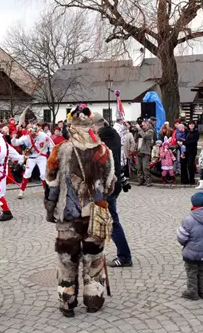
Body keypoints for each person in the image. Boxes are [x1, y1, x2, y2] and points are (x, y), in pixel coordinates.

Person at [45, 104, 115, 317]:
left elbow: (52, 183)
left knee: (67, 259)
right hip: (95, 215)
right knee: (94, 258)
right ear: (90, 124)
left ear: (70, 125)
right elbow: (110, 184)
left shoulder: (61, 150)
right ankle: (94, 300)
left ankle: (67, 303)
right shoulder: (104, 150)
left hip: (68, 214)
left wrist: (50, 209)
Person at [92, 113, 133, 268]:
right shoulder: (112, 134)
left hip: (107, 185)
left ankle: (124, 256)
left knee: (112, 222)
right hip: (110, 183)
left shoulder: (103, 140)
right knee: (104, 220)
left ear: (96, 126)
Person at [177, 192, 203, 300]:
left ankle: (192, 292)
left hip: (191, 253)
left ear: (193, 205)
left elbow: (181, 238)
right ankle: (202, 291)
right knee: (201, 270)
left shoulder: (188, 220)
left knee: (191, 271)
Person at [12, 125, 52, 199]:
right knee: (27, 173)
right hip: (31, 157)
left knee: (43, 174)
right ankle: (21, 191)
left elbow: (51, 145)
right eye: (32, 135)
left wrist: (51, 155)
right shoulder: (26, 137)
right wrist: (14, 138)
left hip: (41, 156)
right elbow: (15, 143)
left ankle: (45, 191)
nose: (34, 136)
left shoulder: (44, 136)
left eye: (35, 134)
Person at [136, 120, 154, 187]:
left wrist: (139, 129)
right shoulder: (140, 131)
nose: (142, 126)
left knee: (145, 167)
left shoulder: (150, 131)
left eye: (144, 125)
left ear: (147, 125)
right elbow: (136, 139)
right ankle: (140, 180)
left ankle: (148, 181)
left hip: (145, 151)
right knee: (139, 167)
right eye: (142, 125)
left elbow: (145, 136)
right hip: (138, 151)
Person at [184, 121, 199, 185]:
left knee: (190, 165)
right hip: (186, 150)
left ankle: (192, 179)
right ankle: (186, 180)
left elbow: (194, 141)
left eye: (192, 124)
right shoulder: (186, 132)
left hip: (192, 151)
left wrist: (185, 143)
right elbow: (184, 139)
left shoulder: (196, 132)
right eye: (190, 124)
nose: (191, 125)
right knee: (185, 165)